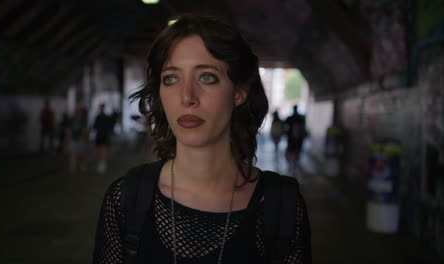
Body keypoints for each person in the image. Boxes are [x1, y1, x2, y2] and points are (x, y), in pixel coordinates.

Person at [92, 15, 311, 264]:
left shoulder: (281, 207)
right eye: (171, 79)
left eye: (207, 77)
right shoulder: (126, 200)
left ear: (239, 92)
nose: (187, 97)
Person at [283, 105, 306, 175]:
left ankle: (292, 163)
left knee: (291, 150)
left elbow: (285, 127)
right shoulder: (301, 118)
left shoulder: (290, 118)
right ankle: (295, 163)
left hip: (291, 138)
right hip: (298, 138)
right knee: (297, 150)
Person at [68, 106, 89, 174]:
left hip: (81, 140)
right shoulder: (72, 119)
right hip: (74, 139)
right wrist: (69, 137)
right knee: (73, 154)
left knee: (81, 154)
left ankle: (82, 165)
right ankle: (73, 168)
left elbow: (85, 130)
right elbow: (69, 129)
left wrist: (83, 138)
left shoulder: (83, 120)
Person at [93, 103, 112, 174]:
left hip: (104, 136)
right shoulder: (98, 117)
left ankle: (103, 164)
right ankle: (100, 163)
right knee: (99, 150)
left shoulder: (105, 117)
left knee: (103, 150)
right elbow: (94, 126)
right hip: (99, 136)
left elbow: (109, 127)